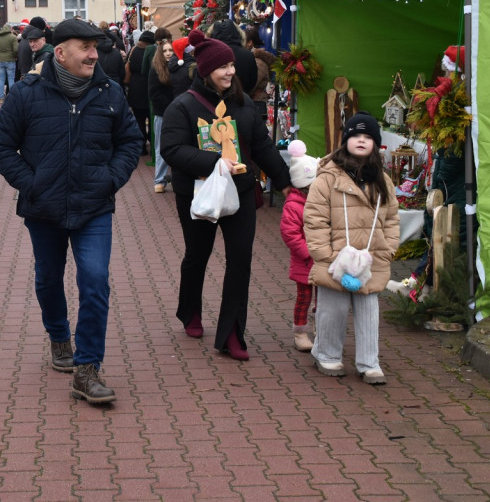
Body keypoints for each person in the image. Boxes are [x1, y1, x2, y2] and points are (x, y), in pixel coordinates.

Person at [0, 18, 143, 405]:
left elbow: (130, 142)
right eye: (86, 47)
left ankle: (87, 371)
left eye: (96, 47)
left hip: (94, 207)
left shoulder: (109, 93)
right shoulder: (27, 93)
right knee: (48, 279)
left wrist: (109, 180)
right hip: (44, 208)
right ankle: (59, 336)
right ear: (60, 52)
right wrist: (33, 183)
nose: (95, 54)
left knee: (94, 281)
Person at [160, 29, 292, 360]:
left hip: (241, 193)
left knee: (240, 262)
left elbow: (261, 146)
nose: (230, 72)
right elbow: (172, 150)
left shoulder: (244, 104)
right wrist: (216, 162)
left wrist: (285, 181)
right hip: (198, 194)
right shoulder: (183, 106)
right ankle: (190, 311)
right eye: (222, 67)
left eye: (232, 65)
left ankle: (232, 333)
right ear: (205, 70)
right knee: (197, 255)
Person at [304, 112, 399, 384]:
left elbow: (391, 217)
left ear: (376, 144)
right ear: (345, 139)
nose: (361, 140)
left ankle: (369, 362)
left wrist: (388, 247)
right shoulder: (328, 177)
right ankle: (326, 354)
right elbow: (315, 218)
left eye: (368, 136)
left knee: (369, 310)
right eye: (355, 135)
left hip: (370, 259)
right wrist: (325, 254)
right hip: (335, 258)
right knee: (332, 309)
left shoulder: (382, 180)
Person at [280, 140, 320, 352]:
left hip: (322, 259)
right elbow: (290, 234)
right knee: (304, 298)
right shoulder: (294, 206)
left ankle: (321, 329)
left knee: (322, 298)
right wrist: (307, 252)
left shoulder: (320, 201)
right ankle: (300, 332)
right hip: (304, 261)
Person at [147, 38, 175, 193]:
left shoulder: (177, 67)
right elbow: (154, 93)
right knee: (160, 147)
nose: (168, 53)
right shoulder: (155, 70)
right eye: (165, 50)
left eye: (170, 50)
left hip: (176, 114)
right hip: (162, 114)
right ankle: (159, 180)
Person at [207, 19, 258, 97]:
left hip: (214, 102)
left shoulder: (209, 55)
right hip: (241, 100)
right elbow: (252, 82)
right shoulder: (248, 55)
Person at [125, 29, 154, 155]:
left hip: (135, 88)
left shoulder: (134, 50)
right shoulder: (152, 52)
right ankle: (153, 144)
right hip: (149, 88)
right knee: (151, 119)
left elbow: (128, 67)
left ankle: (141, 147)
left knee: (139, 120)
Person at [0, 22, 18, 100]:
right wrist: (15, 57)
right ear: (10, 29)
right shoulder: (13, 37)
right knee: (11, 79)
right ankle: (11, 97)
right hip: (10, 60)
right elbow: (16, 50)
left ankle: (0, 97)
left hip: (0, 60)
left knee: (1, 79)